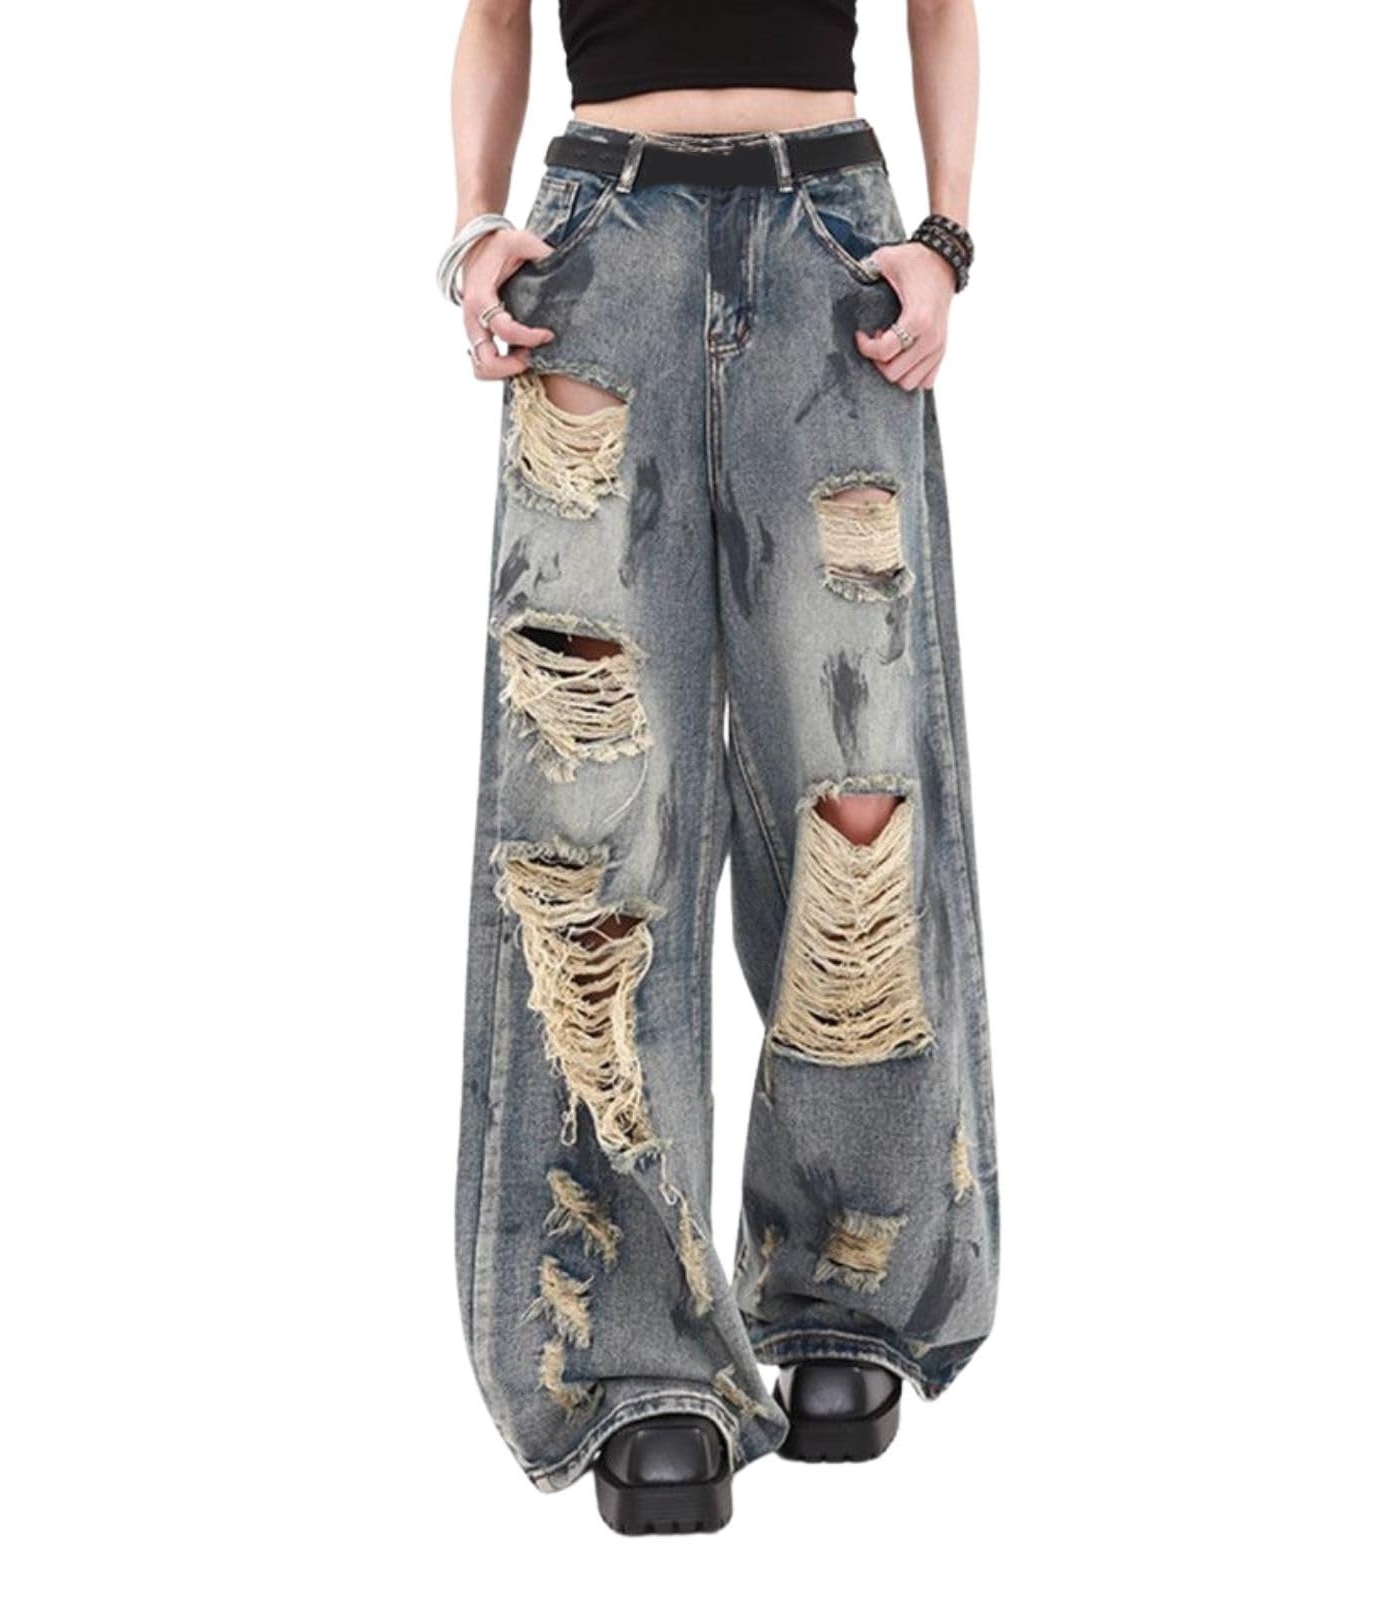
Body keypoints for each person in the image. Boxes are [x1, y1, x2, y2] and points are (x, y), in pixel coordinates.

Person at [441, 0, 997, 1535]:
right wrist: (475, 226)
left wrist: (946, 238)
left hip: (835, 251)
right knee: (590, 812)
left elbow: (942, 7)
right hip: (600, 257)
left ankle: (846, 1284)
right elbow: (492, 16)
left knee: (857, 787)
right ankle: (633, 1356)